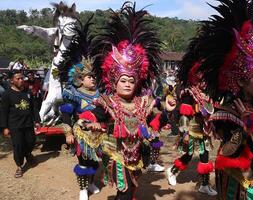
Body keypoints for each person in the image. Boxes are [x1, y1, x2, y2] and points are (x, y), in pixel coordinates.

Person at [179, 0, 253, 198]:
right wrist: (245, 126)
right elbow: (228, 148)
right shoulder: (228, 111)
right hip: (237, 176)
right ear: (240, 82)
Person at [81, 3, 171, 199]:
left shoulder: (143, 102)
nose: (128, 84)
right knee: (125, 189)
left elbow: (156, 123)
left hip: (137, 155)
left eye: (132, 80)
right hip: (117, 155)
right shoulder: (108, 102)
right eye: (123, 80)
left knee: (132, 190)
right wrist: (91, 123)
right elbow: (88, 117)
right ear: (114, 82)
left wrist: (167, 112)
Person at [55, 16, 102, 200]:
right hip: (81, 133)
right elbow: (66, 114)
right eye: (89, 77)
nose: (93, 79)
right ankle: (83, 189)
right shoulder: (73, 94)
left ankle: (90, 183)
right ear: (80, 78)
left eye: (94, 76)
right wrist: (68, 133)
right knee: (83, 162)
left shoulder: (100, 94)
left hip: (97, 134)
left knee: (95, 162)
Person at [166, 62, 217, 196]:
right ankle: (172, 171)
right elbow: (184, 115)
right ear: (195, 77)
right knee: (189, 155)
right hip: (191, 130)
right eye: (201, 79)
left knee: (205, 155)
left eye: (205, 79)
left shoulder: (206, 94)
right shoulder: (188, 93)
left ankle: (204, 185)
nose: (204, 82)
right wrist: (185, 134)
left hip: (204, 130)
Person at [1, 70, 41, 178]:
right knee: (18, 146)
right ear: (11, 81)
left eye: (22, 78)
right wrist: (4, 127)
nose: (20, 80)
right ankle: (19, 166)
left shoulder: (28, 92)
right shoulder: (6, 94)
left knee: (31, 142)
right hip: (15, 125)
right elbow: (3, 112)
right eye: (17, 78)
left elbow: (33, 108)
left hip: (28, 124)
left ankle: (28, 154)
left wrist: (37, 121)